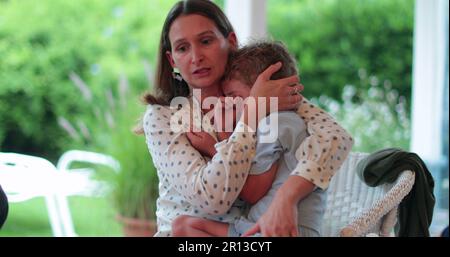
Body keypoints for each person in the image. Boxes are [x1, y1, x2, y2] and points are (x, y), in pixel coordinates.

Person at [140, 0, 352, 237]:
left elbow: (337, 137)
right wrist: (252, 112)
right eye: (182, 48)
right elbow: (212, 199)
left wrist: (286, 198)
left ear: (230, 42)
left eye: (206, 41)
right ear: (172, 61)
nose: (196, 56)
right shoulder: (164, 116)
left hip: (250, 233)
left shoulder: (259, 91)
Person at [171, 41, 327, 237]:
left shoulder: (278, 124)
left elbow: (253, 193)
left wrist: (217, 144)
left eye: (233, 96)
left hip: (283, 230)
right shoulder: (273, 123)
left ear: (264, 93)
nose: (225, 103)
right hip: (253, 227)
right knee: (182, 226)